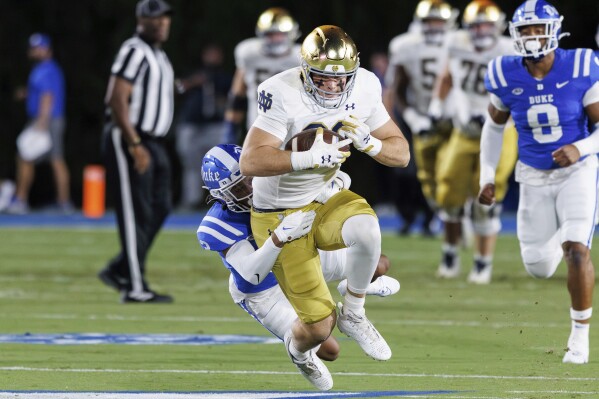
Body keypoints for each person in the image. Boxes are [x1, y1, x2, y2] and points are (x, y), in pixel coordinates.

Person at [240, 25, 410, 390]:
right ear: (305, 71)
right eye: (322, 79)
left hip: (324, 197)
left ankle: (356, 312)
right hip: (280, 213)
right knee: (318, 327)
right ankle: (300, 352)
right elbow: (250, 162)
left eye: (340, 80)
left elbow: (401, 153)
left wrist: (372, 145)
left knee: (368, 230)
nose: (332, 87)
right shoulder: (280, 90)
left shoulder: (365, 85)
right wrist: (302, 159)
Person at [196, 144, 400, 372]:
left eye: (250, 177)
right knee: (328, 348)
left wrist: (330, 186)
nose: (251, 187)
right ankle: (300, 356)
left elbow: (337, 178)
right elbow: (252, 274)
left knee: (379, 263)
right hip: (264, 287)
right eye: (240, 188)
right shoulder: (220, 224)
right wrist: (278, 238)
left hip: (298, 255)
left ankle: (351, 292)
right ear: (221, 195)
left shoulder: (273, 181)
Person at [478, 0, 599, 364]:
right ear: (515, 35)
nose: (532, 37)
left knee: (576, 248)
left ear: (553, 31)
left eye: (537, 29)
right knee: (538, 266)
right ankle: (559, 248)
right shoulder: (503, 72)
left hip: (578, 172)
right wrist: (487, 176)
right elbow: (493, 127)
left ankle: (580, 336)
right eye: (526, 30)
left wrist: (581, 147)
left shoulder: (581, 65)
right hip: (531, 175)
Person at [429, 0, 518, 284]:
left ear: (497, 26)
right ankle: (450, 254)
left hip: (501, 131)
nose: (480, 30)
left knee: (487, 196)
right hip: (464, 131)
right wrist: (436, 105)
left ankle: (482, 263)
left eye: (486, 25)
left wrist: (492, 113)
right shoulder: (455, 42)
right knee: (448, 195)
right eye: (476, 25)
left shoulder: (509, 48)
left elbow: (520, 90)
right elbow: (446, 77)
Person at [98, 0, 175, 303]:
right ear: (140, 19)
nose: (161, 23)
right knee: (135, 212)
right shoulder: (134, 50)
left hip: (154, 142)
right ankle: (134, 286)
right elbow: (116, 99)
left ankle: (120, 269)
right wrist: (133, 144)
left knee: (160, 207)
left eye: (165, 18)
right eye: (154, 18)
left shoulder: (160, 56)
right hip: (131, 138)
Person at [384, 0, 458, 236]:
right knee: (407, 169)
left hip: (450, 116)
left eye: (439, 21)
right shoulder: (405, 45)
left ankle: (434, 219)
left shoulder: (460, 43)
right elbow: (396, 87)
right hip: (414, 112)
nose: (434, 26)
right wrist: (409, 115)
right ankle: (407, 218)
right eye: (429, 21)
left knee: (444, 169)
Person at [6, 33, 71, 215]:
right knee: (52, 159)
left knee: (28, 156)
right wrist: (27, 94)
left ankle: (21, 200)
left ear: (47, 49)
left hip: (46, 120)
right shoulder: (43, 69)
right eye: (33, 48)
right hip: (47, 119)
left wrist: (41, 123)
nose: (35, 51)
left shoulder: (46, 69)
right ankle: (62, 201)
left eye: (39, 48)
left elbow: (47, 96)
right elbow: (41, 91)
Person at [223, 7, 301, 144]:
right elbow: (237, 96)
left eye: (279, 34)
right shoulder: (249, 54)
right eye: (270, 34)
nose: (275, 39)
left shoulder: (302, 57)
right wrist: (230, 129)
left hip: (296, 131)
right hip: (258, 129)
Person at [174, 44, 231, 211]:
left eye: (216, 54)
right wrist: (192, 82)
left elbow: (234, 99)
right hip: (192, 125)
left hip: (216, 125)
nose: (212, 57)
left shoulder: (224, 77)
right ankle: (190, 201)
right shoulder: (194, 72)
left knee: (221, 166)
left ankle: (223, 202)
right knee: (191, 165)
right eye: (210, 53)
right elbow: (177, 88)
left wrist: (222, 102)